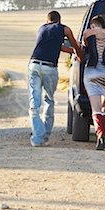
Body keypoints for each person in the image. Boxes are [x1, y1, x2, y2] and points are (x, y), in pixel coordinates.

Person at [28, 11, 82, 147]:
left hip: (33, 65)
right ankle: (43, 136)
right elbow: (74, 45)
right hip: (49, 68)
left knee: (34, 104)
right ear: (59, 20)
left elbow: (54, 46)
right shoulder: (64, 29)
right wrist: (80, 56)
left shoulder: (41, 28)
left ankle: (38, 137)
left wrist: (69, 51)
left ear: (48, 21)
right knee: (49, 100)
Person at [82, 15, 105, 150]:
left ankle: (100, 135)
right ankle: (104, 133)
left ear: (92, 25)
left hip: (92, 72)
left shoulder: (88, 32)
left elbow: (85, 46)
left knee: (95, 108)